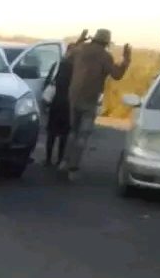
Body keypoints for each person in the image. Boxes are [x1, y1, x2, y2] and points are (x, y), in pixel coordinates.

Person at [59, 29, 131, 179]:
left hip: (73, 96)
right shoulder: (105, 57)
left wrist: (79, 40)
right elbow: (117, 75)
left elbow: (66, 58)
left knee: (73, 131)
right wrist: (126, 60)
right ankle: (73, 167)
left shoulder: (80, 50)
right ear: (106, 43)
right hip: (90, 99)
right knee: (83, 135)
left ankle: (64, 162)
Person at [42, 30, 88, 166]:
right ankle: (60, 160)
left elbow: (48, 82)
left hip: (56, 102)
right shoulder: (79, 70)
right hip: (69, 104)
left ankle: (48, 159)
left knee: (51, 133)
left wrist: (46, 102)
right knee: (64, 135)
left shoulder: (59, 65)